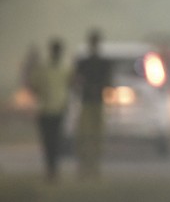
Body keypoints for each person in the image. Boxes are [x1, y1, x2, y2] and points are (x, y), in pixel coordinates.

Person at [29, 38, 72, 182]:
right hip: (46, 110)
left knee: (55, 141)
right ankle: (51, 170)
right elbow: (33, 85)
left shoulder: (64, 68)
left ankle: (53, 170)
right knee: (48, 142)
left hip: (57, 110)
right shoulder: (46, 68)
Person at [73, 29, 111, 178]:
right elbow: (77, 81)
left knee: (94, 137)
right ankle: (86, 168)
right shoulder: (86, 63)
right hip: (89, 102)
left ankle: (92, 168)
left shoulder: (97, 63)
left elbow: (107, 82)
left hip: (94, 102)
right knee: (86, 136)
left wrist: (92, 87)